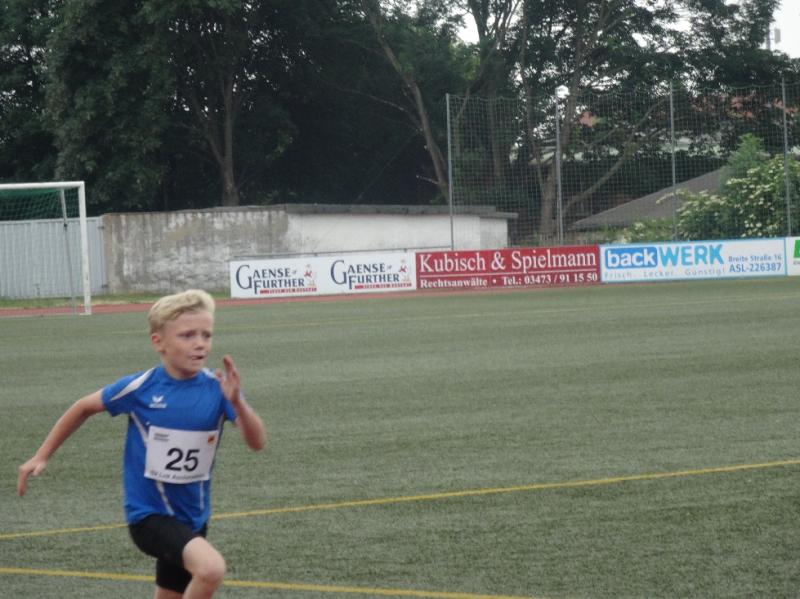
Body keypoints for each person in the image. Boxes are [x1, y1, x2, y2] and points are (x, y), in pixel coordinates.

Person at [17, 289, 267, 599]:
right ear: (158, 342)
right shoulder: (141, 388)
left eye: (206, 335)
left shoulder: (219, 390)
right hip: (148, 517)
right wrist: (41, 455)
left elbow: (257, 442)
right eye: (187, 335)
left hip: (193, 518)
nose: (200, 343)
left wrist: (238, 403)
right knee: (210, 569)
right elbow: (83, 407)